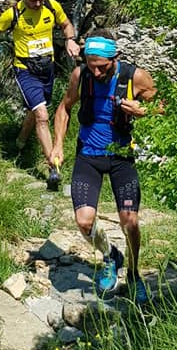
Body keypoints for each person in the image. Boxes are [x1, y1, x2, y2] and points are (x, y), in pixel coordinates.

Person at [50, 36, 159, 303]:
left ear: (115, 59)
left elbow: (163, 106)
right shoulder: (81, 75)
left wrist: (142, 110)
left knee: (130, 223)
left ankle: (133, 273)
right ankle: (111, 256)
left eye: (102, 67)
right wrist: (58, 145)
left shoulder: (137, 77)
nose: (96, 71)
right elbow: (64, 108)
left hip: (122, 156)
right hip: (88, 155)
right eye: (91, 65)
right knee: (84, 221)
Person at [0, 0, 80, 189]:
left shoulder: (51, 6)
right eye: (33, 1)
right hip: (25, 69)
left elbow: (66, 24)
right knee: (42, 115)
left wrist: (70, 39)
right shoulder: (14, 13)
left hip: (47, 68)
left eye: (40, 0)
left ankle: (19, 142)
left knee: (35, 109)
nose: (37, 4)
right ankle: (53, 167)